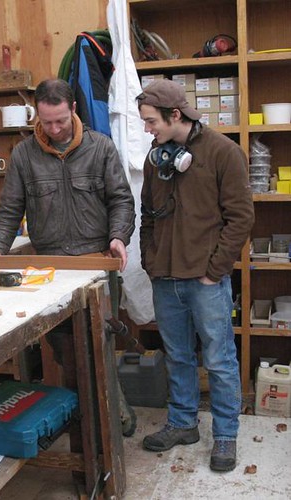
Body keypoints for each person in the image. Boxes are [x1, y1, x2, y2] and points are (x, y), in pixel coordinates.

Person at [0, 78, 136, 435]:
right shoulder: (24, 155)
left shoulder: (100, 147)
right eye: (46, 122)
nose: (54, 129)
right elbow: (10, 208)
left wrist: (119, 237)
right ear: (37, 116)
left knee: (98, 346)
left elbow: (121, 199)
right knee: (66, 352)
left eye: (60, 120)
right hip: (49, 268)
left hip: (96, 263)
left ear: (73, 109)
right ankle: (93, 422)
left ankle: (110, 418)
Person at [136, 79, 254, 471]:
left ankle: (225, 436)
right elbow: (147, 216)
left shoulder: (224, 153)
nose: (147, 129)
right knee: (178, 357)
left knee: (219, 360)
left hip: (206, 281)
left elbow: (241, 219)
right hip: (165, 279)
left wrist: (214, 270)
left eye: (151, 121)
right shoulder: (157, 157)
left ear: (175, 115)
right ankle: (183, 422)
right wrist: (150, 261)